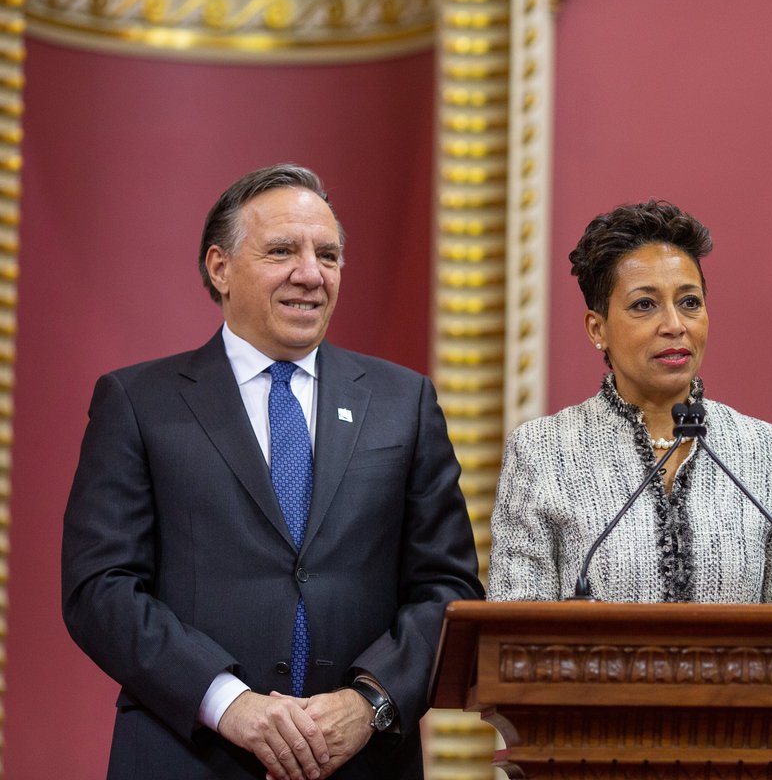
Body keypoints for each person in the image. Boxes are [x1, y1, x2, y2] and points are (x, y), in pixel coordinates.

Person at [62, 164, 483, 780]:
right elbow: (99, 588)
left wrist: (368, 703)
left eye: (329, 254)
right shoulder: (138, 402)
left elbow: (447, 587)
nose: (311, 274)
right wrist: (227, 703)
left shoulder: (404, 402)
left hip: (361, 761)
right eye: (282, 250)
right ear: (219, 267)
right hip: (189, 755)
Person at [487, 200, 772, 603]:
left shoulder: (766, 451)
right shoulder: (541, 451)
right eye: (645, 304)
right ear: (597, 328)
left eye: (690, 302)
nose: (675, 325)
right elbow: (515, 629)